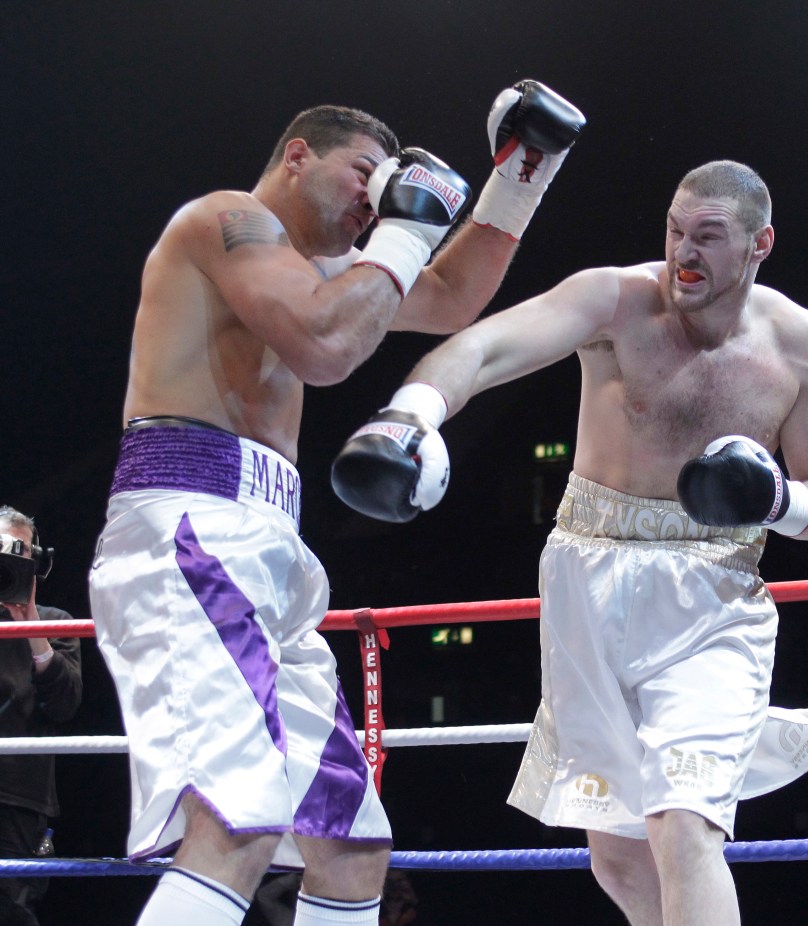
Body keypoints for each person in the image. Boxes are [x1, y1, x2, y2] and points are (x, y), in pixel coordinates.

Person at [87, 81, 585, 926]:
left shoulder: (328, 273)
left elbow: (451, 297)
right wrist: (402, 226)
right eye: (363, 172)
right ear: (297, 156)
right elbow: (325, 347)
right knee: (237, 822)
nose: (373, 196)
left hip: (271, 548)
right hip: (189, 529)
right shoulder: (223, 221)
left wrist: (523, 173)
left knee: (351, 844)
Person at [332, 160, 808, 925]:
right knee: (616, 857)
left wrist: (780, 499)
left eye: (709, 237)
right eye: (676, 229)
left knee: (685, 826)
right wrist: (409, 415)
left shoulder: (801, 346)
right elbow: (483, 348)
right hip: (588, 584)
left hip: (713, 597)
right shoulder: (615, 302)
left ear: (759, 244)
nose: (684, 251)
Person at [0, 506, 82, 926]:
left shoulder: (55, 623)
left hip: (20, 798)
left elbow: (65, 705)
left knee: (13, 910)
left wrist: (29, 625)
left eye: (21, 557)